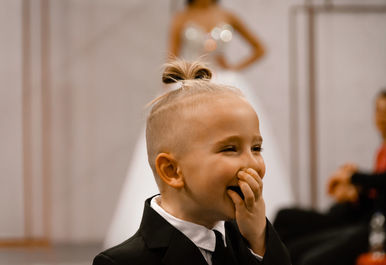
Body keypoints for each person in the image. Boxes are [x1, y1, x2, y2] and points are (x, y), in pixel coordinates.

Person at [104, 0, 293, 248]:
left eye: (258, 150)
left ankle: (252, 231)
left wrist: (234, 67)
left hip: (223, 83)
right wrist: (172, 100)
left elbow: (259, 48)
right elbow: (171, 56)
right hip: (190, 86)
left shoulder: (227, 14)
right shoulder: (181, 18)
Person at [93, 60, 291, 265]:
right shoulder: (121, 263)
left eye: (256, 149)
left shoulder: (251, 242)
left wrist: (258, 238)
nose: (253, 164)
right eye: (230, 149)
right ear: (172, 170)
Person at [273, 89, 386, 265]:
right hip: (366, 223)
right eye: (378, 110)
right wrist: (354, 192)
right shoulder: (383, 152)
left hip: (380, 230)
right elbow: (380, 194)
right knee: (288, 232)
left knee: (305, 256)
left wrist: (352, 177)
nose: (383, 117)